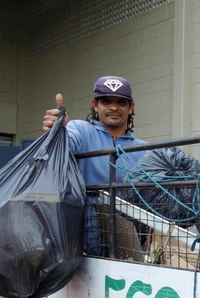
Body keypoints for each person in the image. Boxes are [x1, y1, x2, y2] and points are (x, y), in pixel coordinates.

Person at [42, 75, 147, 255]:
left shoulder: (144, 150)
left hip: (128, 235)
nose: (114, 107)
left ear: (131, 108)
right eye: (106, 101)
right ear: (95, 105)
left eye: (121, 102)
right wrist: (58, 131)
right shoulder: (80, 130)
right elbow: (65, 145)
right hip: (85, 234)